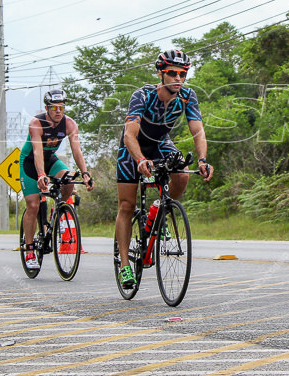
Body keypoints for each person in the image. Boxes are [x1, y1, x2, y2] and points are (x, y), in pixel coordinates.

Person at [114, 49, 213, 289]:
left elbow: (198, 132)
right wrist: (139, 160)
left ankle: (161, 207)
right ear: (161, 73)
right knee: (127, 205)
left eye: (183, 73)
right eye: (172, 73)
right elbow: (129, 134)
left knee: (181, 172)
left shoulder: (188, 96)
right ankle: (125, 264)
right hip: (134, 146)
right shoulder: (143, 95)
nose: (178, 78)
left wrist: (202, 160)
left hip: (160, 142)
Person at [19, 88, 96, 271]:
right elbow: (37, 152)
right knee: (33, 205)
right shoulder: (36, 123)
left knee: (69, 180)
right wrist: (40, 175)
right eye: (54, 108)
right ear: (47, 108)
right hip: (30, 163)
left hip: (51, 160)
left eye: (61, 107)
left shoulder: (69, 124)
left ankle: (57, 211)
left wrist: (85, 173)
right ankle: (30, 250)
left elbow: (76, 150)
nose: (58, 111)